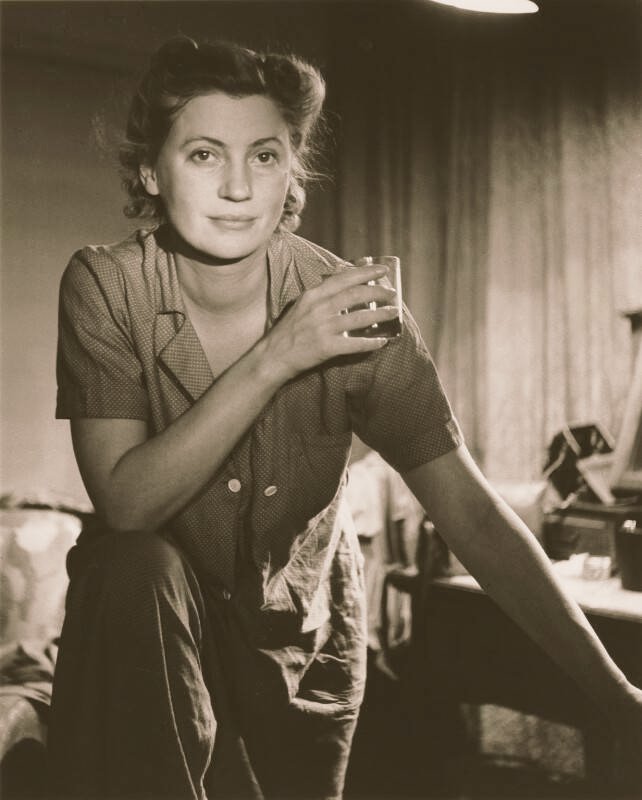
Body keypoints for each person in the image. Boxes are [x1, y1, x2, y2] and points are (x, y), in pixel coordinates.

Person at [50, 36, 641, 800]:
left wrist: (618, 698)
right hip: (152, 640)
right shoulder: (106, 286)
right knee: (134, 565)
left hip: (302, 645)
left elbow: (470, 514)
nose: (237, 186)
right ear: (150, 172)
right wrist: (278, 354)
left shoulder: (355, 305)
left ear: (291, 173)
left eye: (264, 156)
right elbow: (126, 503)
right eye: (203, 154)